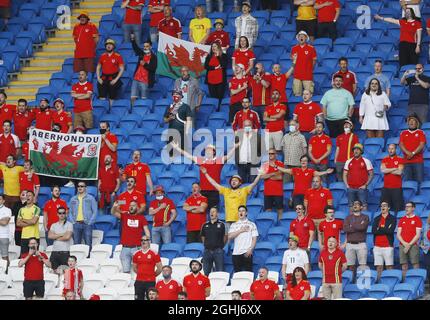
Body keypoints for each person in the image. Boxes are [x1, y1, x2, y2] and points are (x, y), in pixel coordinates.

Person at [171, 142, 237, 210]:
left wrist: (235, 147)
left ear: (213, 152)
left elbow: (228, 156)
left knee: (213, 211)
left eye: (209, 150)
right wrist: (177, 148)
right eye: (206, 150)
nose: (207, 151)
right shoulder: (201, 160)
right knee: (202, 211)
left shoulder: (218, 161)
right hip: (203, 191)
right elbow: (188, 156)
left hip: (214, 191)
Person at [111, 200, 150, 273]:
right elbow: (113, 212)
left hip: (137, 248)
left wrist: (147, 241)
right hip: (125, 248)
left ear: (138, 208)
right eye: (130, 205)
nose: (131, 207)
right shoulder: (125, 216)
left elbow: (146, 231)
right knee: (126, 271)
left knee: (140, 271)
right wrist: (114, 207)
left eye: (133, 205)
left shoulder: (141, 218)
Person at [343, 143, 374, 212]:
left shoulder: (366, 161)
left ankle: (364, 222)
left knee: (364, 206)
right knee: (351, 206)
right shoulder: (348, 161)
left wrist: (366, 185)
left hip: (361, 188)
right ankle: (351, 222)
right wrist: (347, 185)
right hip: (351, 188)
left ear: (361, 151)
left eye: (358, 149)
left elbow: (371, 174)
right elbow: (344, 174)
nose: (356, 151)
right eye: (354, 149)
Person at [68, 181, 97, 250]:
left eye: (82, 186)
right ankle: (77, 260)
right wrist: (73, 222)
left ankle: (88, 260)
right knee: (76, 245)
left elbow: (95, 211)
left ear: (85, 188)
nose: (80, 187)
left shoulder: (91, 198)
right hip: (76, 224)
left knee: (88, 244)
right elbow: (70, 212)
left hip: (87, 224)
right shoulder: (73, 199)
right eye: (78, 186)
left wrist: (90, 222)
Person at [228, 205, 259, 272]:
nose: (241, 212)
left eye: (243, 211)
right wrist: (240, 230)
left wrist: (250, 249)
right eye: (239, 211)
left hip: (246, 252)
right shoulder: (234, 224)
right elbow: (230, 236)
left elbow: (254, 238)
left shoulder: (252, 224)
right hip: (236, 253)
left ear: (246, 213)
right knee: (237, 274)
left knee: (248, 273)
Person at [132, 235, 163, 300]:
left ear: (149, 241)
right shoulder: (136, 254)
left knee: (151, 299)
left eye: (145, 240)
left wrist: (152, 275)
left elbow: (160, 268)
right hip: (139, 281)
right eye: (142, 240)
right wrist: (141, 273)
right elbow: (134, 268)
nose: (143, 242)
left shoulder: (154, 253)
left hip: (150, 281)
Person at [343, 200, 369, 274]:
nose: (355, 205)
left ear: (361, 207)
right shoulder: (348, 218)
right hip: (350, 244)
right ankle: (352, 282)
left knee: (362, 265)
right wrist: (358, 225)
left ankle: (362, 283)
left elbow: (362, 227)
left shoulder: (365, 217)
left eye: (357, 204)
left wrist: (351, 225)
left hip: (361, 244)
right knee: (350, 266)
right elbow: (345, 229)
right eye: (354, 204)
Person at [96, 39, 125, 105]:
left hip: (113, 77)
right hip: (103, 77)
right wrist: (98, 78)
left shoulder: (118, 56)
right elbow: (98, 67)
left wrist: (116, 80)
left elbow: (122, 69)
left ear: (113, 46)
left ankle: (111, 110)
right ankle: (103, 109)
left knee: (112, 96)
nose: (108, 46)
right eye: (107, 45)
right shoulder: (102, 56)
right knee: (102, 95)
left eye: (110, 44)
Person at [398, 201, 422, 279]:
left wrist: (409, 245)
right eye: (406, 207)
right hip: (402, 245)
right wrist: (405, 244)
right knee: (404, 265)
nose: (406, 208)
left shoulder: (417, 219)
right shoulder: (402, 219)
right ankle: (405, 282)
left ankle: (416, 281)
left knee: (415, 264)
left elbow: (417, 235)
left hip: (413, 245)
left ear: (413, 208)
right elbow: (398, 234)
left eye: (408, 206)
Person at [372, 201, 396, 281]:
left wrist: (380, 229)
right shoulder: (376, 218)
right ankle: (379, 283)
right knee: (379, 267)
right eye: (381, 206)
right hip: (377, 246)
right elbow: (374, 231)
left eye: (385, 205)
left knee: (389, 266)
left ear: (388, 208)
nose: (383, 207)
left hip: (388, 246)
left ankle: (390, 282)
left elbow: (390, 231)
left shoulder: (392, 218)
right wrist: (385, 228)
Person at [399, 113, 426, 183]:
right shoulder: (403, 133)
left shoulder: (421, 132)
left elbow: (422, 144)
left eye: (413, 120)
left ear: (417, 123)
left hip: (418, 161)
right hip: (406, 161)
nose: (411, 122)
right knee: (408, 183)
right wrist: (408, 153)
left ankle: (420, 194)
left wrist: (413, 153)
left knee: (419, 182)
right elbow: (401, 144)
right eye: (410, 120)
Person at [130, 36, 157, 105]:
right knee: (133, 98)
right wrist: (133, 40)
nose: (145, 48)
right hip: (136, 79)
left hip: (145, 81)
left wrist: (144, 64)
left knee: (143, 100)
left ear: (150, 47)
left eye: (147, 46)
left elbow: (153, 68)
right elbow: (136, 48)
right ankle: (133, 111)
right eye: (144, 46)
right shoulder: (141, 54)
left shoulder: (154, 57)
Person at [235, 119, 264, 183]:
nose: (247, 127)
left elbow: (261, 150)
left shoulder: (258, 136)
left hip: (254, 164)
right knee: (241, 183)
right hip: (241, 164)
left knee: (253, 183)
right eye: (245, 125)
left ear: (252, 126)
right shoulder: (238, 136)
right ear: (242, 126)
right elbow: (234, 148)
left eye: (249, 125)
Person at [201, 207, 227, 275]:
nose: (211, 213)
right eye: (210, 212)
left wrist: (220, 246)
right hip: (207, 251)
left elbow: (225, 237)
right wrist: (207, 245)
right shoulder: (204, 225)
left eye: (213, 211)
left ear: (217, 214)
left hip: (218, 251)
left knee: (220, 272)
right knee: (206, 272)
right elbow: (203, 237)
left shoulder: (222, 224)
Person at [291, 31, 317, 96]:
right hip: (297, 76)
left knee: (309, 95)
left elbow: (314, 60)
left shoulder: (311, 48)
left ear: (306, 38)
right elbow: (293, 61)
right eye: (300, 36)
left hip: (307, 75)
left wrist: (309, 69)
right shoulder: (294, 48)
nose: (301, 37)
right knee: (297, 95)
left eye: (303, 36)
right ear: (298, 38)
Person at [260, 149, 284, 219]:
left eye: (272, 153)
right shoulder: (265, 165)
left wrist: (268, 175)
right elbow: (261, 176)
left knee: (280, 210)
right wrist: (273, 173)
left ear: (276, 155)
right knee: (268, 211)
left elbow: (280, 177)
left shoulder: (280, 164)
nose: (270, 155)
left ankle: (280, 226)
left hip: (278, 192)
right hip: (267, 192)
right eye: (269, 154)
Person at [48, 207, 73, 275]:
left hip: (65, 252)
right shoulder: (53, 225)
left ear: (66, 214)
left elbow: (67, 237)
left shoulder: (69, 224)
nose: (62, 214)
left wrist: (55, 237)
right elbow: (50, 236)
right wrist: (62, 234)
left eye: (63, 213)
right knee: (53, 272)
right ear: (57, 214)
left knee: (66, 273)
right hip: (54, 252)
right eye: (60, 213)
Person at [381, 144, 404, 213]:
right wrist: (394, 168)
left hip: (397, 188)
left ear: (396, 150)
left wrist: (388, 170)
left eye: (392, 149)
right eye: (389, 149)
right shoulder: (385, 159)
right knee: (386, 208)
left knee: (398, 208)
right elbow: (383, 170)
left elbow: (399, 172)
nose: (390, 150)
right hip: (386, 188)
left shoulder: (400, 159)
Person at [204, 42, 228, 110]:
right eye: (212, 46)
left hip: (220, 80)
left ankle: (219, 109)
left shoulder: (223, 56)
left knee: (219, 96)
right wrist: (214, 68)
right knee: (213, 97)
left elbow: (224, 65)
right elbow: (206, 66)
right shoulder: (209, 56)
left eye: (215, 46)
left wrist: (218, 57)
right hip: (211, 79)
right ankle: (214, 109)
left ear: (218, 47)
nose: (213, 48)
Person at [0, 194, 11, 271]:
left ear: (3, 201)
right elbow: (2, 221)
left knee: (5, 256)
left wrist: (3, 221)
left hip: (3, 235)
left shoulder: (7, 210)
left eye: (0, 199)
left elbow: (5, 222)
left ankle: (7, 273)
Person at [421, 215, 430, 286]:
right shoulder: (425, 226)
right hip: (427, 250)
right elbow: (421, 238)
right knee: (427, 266)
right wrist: (421, 244)